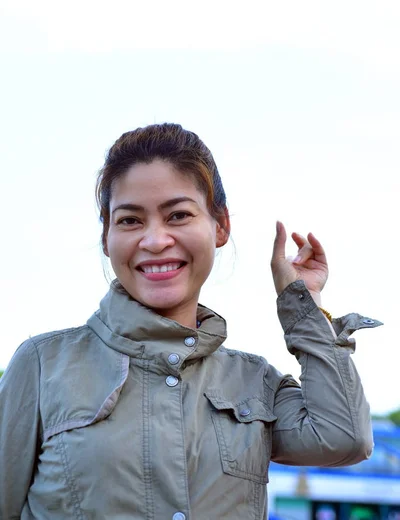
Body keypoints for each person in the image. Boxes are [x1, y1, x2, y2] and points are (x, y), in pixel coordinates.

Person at [0, 123, 381, 520]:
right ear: (106, 237)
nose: (154, 240)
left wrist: (304, 306)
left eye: (178, 215)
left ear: (220, 227)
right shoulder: (43, 365)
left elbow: (344, 438)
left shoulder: (254, 382)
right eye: (130, 220)